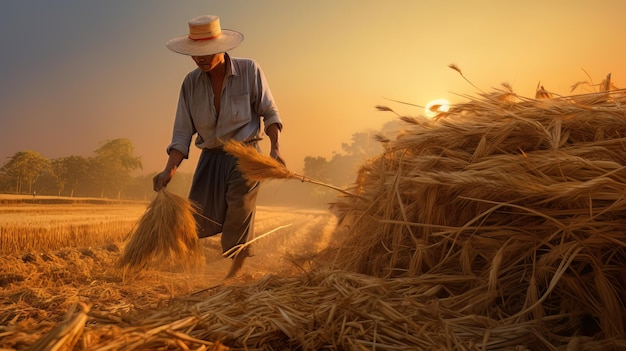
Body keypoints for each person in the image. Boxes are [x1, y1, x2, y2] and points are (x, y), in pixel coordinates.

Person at [153, 15, 284, 278]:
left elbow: (269, 112)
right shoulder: (190, 84)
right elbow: (182, 132)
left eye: (206, 52)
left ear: (222, 47)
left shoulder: (249, 71)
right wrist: (169, 170)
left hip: (245, 155)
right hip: (210, 157)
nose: (200, 58)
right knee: (198, 218)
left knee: (239, 208)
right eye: (194, 54)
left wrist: (275, 149)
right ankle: (200, 265)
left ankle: (236, 269)